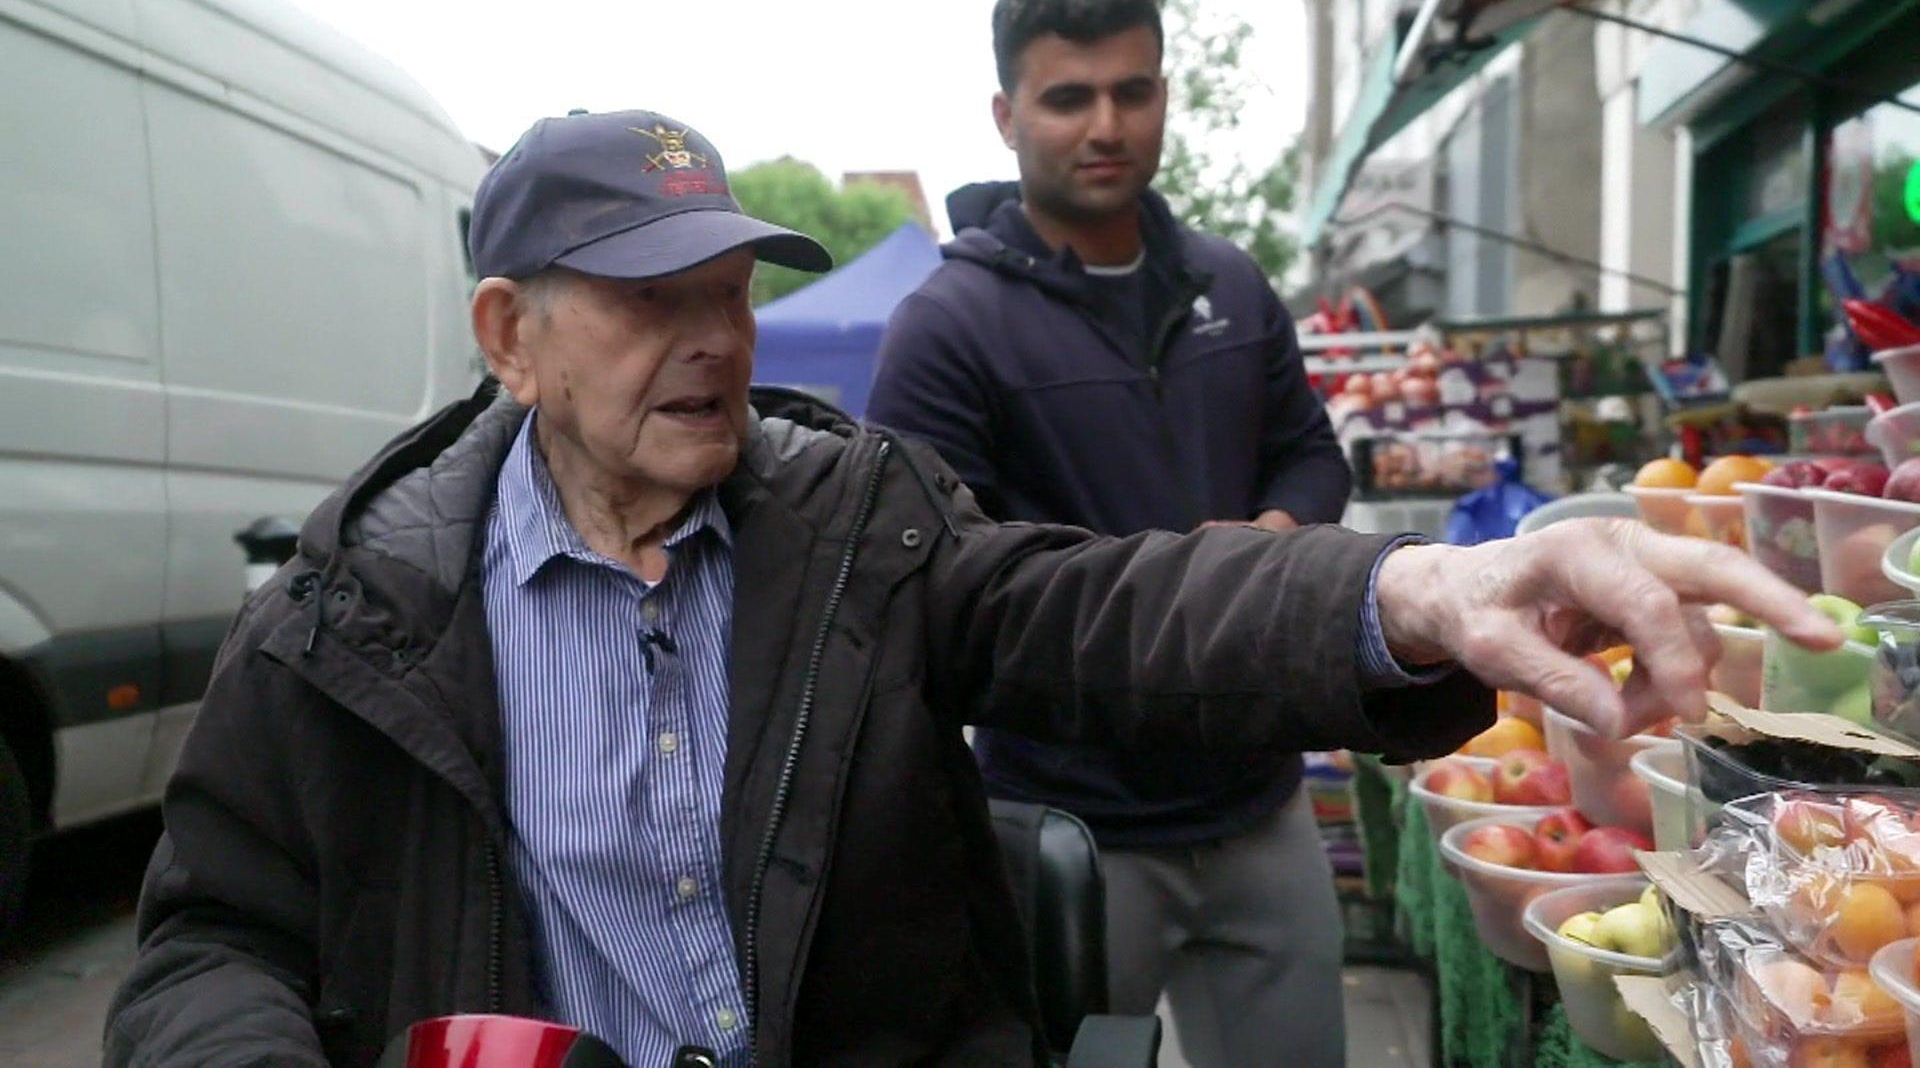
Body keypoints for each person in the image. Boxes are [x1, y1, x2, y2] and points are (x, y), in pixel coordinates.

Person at [104, 108, 1837, 1068]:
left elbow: (1111, 609)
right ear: (509, 337)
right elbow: (209, 941)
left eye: (733, 290)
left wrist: (1421, 595)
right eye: (650, 302)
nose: (717, 340)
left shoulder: (858, 526)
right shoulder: (349, 618)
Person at [865, 0, 1352, 1060]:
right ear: (1006, 115)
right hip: (1070, 829)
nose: (1106, 125)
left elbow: (1312, 453)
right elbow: (932, 584)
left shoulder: (1232, 284)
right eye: (1068, 97)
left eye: (1132, 91)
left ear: (1165, 95)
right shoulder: (949, 329)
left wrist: (1271, 541)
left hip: (1261, 805)